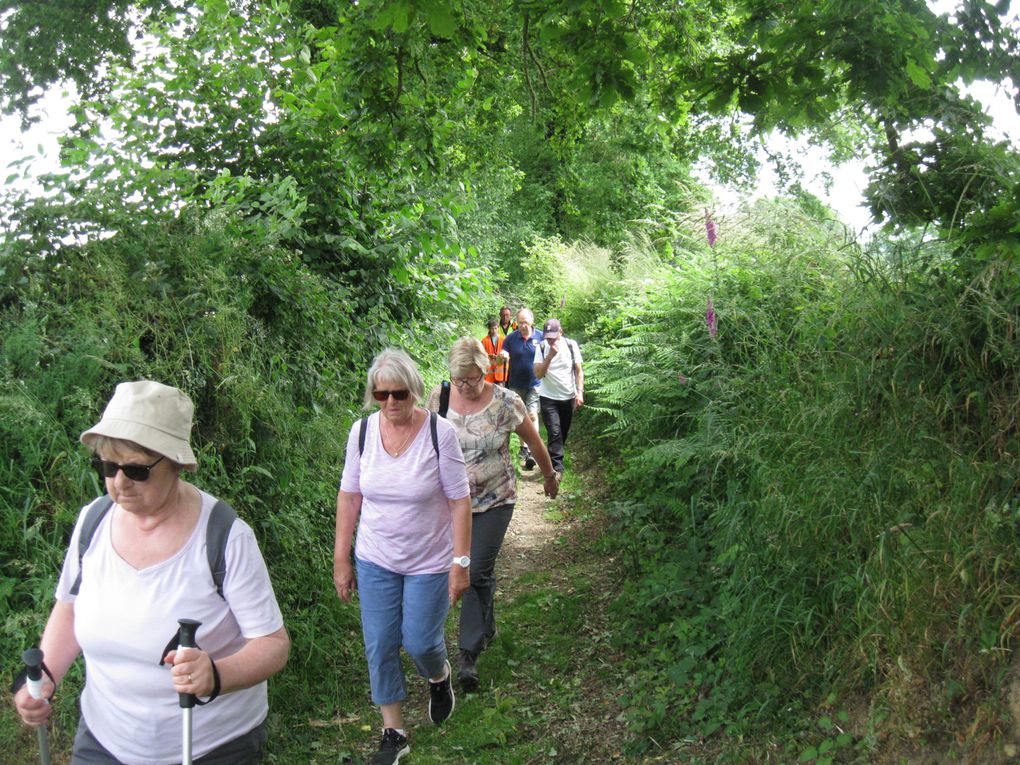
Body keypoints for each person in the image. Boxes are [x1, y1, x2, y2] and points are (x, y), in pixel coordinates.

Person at [12, 380, 290, 765]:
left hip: (209, 746)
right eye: (107, 466)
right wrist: (44, 677)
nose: (119, 482)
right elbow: (70, 607)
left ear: (175, 464)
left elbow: (273, 645)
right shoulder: (92, 521)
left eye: (137, 470)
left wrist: (215, 674)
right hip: (104, 739)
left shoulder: (224, 537)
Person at [334, 349, 472, 765]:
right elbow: (350, 496)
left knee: (419, 642)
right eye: (381, 395)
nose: (391, 403)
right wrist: (342, 558)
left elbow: (460, 502)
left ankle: (438, 673)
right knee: (379, 644)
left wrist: (460, 563)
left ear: (413, 391)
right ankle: (393, 732)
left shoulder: (438, 434)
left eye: (399, 394)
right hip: (375, 557)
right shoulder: (361, 434)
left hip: (429, 559)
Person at [426, 338, 559, 691]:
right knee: (479, 572)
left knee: (472, 566)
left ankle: (467, 654)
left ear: (485, 371)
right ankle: (487, 626)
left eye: (471, 379)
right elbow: (427, 447)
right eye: (459, 380)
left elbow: (533, 441)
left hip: (495, 499)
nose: (465, 386)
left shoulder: (505, 402)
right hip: (453, 503)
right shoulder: (438, 400)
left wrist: (549, 476)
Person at [533, 318, 584, 480]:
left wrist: (580, 391)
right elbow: (538, 374)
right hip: (548, 397)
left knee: (562, 432)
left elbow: (578, 370)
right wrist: (549, 356)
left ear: (560, 332)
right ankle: (556, 469)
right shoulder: (541, 348)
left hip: (568, 396)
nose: (551, 340)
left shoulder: (571, 345)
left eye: (553, 337)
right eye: (548, 337)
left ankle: (551, 458)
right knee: (554, 432)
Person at [501, 308, 543, 470]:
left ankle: (533, 450)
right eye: (519, 323)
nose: (522, 326)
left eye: (525, 322)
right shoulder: (511, 338)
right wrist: (503, 355)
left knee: (532, 414)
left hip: (535, 383)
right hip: (515, 383)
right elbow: (503, 352)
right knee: (520, 416)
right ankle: (523, 447)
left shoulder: (540, 337)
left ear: (532, 321)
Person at [481, 317, 508, 386]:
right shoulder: (484, 341)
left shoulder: (503, 339)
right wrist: (489, 355)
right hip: (488, 374)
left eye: (495, 328)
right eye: (492, 328)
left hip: (500, 374)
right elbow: (481, 355)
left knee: (500, 394)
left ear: (498, 328)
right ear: (489, 329)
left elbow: (507, 355)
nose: (494, 330)